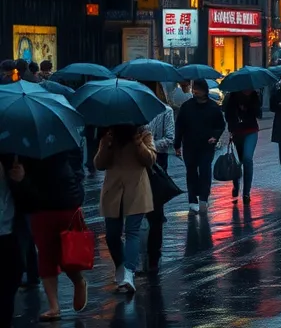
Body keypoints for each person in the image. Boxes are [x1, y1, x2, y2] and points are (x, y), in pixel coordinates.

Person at [6, 149, 88, 320]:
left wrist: (77, 188)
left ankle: (79, 281)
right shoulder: (22, 146)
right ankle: (54, 306)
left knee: (67, 254)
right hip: (38, 204)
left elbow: (76, 163)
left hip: (66, 201)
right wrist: (21, 180)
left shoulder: (63, 141)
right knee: (45, 254)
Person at [96, 124, 156, 296]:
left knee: (132, 232)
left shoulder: (144, 133)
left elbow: (150, 160)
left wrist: (138, 143)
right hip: (113, 191)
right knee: (112, 235)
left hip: (136, 189)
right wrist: (106, 144)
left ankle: (129, 272)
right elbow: (99, 164)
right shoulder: (109, 135)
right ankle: (121, 267)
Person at [173, 79, 226, 214]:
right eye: (194, 88)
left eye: (199, 89)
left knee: (204, 170)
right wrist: (177, 144)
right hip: (190, 145)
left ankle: (203, 197)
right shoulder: (187, 106)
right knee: (191, 171)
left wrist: (215, 136)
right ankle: (192, 200)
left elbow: (220, 125)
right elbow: (180, 126)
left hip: (206, 146)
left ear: (205, 90)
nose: (196, 91)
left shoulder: (213, 107)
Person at [0, 160, 24, 328]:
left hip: (6, 244)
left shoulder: (12, 158)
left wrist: (22, 182)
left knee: (3, 319)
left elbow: (32, 202)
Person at [145, 84, 176, 273]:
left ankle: (154, 255)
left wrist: (149, 146)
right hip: (137, 164)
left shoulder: (166, 111)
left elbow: (169, 137)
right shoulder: (135, 112)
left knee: (155, 209)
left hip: (157, 161)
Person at [224, 86, 261, 203]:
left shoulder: (255, 96)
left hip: (251, 131)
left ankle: (246, 193)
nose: (248, 90)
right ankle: (236, 185)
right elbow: (227, 114)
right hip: (237, 133)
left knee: (247, 158)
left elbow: (259, 114)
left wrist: (249, 106)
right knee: (238, 161)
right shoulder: (232, 97)